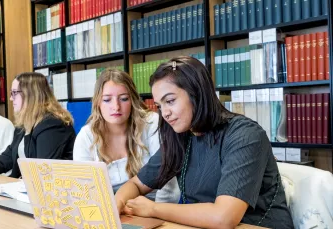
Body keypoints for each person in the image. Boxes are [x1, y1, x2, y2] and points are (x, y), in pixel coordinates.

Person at [114, 56, 293, 228]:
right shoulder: (181, 135)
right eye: (160, 106)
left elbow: (224, 217)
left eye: (170, 101)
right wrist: (118, 203)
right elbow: (136, 184)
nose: (165, 113)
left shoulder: (244, 135)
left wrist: (153, 209)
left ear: (196, 94)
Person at [73, 69, 178, 201]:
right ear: (97, 102)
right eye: (107, 100)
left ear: (133, 100)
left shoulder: (152, 123)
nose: (116, 107)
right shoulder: (86, 136)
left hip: (153, 208)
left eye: (123, 99)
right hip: (110, 210)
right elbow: (84, 191)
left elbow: (168, 182)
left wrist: (159, 213)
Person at [0, 72, 76, 178]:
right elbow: (6, 158)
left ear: (30, 95)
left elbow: (44, 170)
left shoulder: (52, 124)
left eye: (14, 93)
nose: (11, 99)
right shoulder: (24, 123)